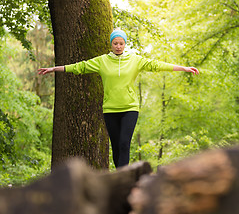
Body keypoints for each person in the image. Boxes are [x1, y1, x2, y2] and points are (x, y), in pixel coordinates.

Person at [38, 29, 199, 168]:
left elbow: (156, 65)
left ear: (125, 44)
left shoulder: (135, 60)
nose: (118, 46)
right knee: (115, 147)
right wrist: (55, 68)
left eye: (121, 43)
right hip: (110, 109)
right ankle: (120, 177)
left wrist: (183, 68)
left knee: (124, 144)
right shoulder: (102, 61)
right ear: (111, 44)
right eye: (115, 43)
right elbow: (81, 66)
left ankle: (124, 179)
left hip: (130, 108)